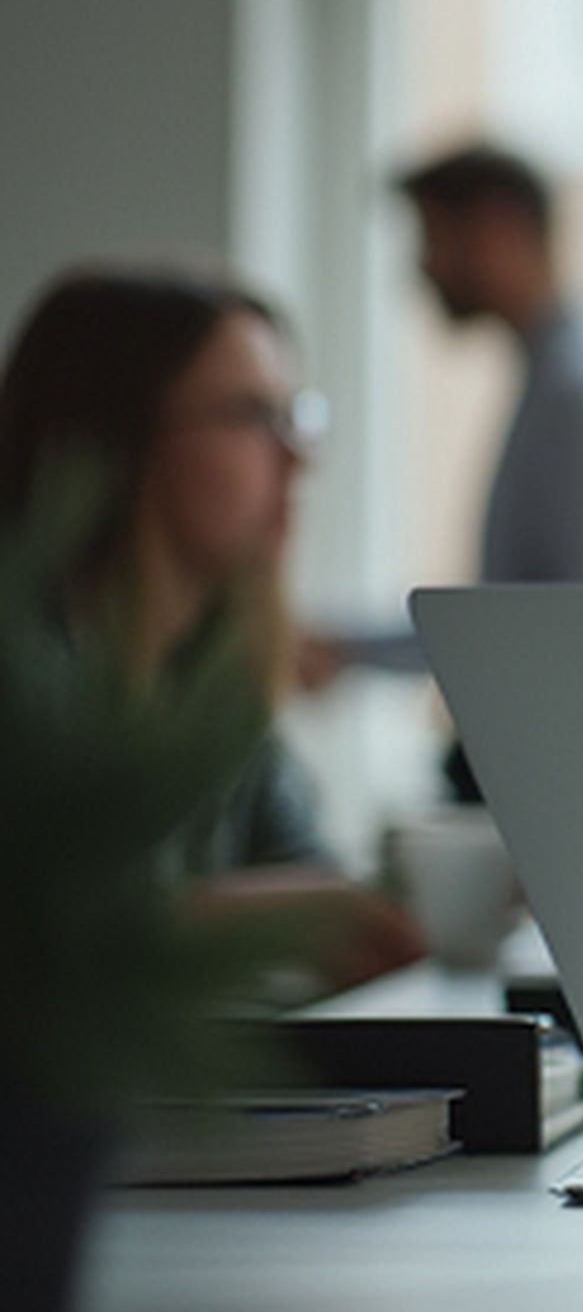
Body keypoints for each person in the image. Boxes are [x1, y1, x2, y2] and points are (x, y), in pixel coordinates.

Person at [0, 267, 424, 990]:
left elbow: (315, 888)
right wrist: (247, 923)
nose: (298, 457)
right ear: (115, 437)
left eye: (297, 416)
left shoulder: (215, 686)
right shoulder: (26, 675)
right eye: (253, 416)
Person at [305, 142, 583, 793]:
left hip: (575, 790)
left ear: (496, 229)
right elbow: (521, 616)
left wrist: (354, 652)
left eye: (431, 237)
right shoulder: (558, 386)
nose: (419, 270)